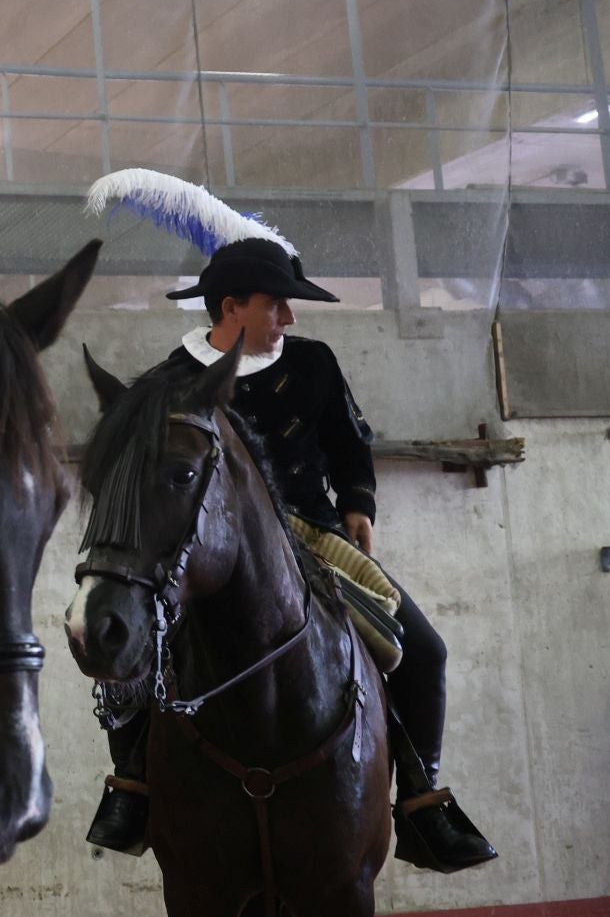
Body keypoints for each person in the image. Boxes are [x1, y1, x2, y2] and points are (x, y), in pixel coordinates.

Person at [81, 180, 497, 876]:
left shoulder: (313, 363)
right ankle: (132, 787)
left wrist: (358, 502)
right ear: (231, 307)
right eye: (276, 303)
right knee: (135, 652)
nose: (289, 317)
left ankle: (421, 799)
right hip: (211, 546)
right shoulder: (168, 382)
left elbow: (349, 441)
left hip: (316, 536)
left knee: (424, 650)